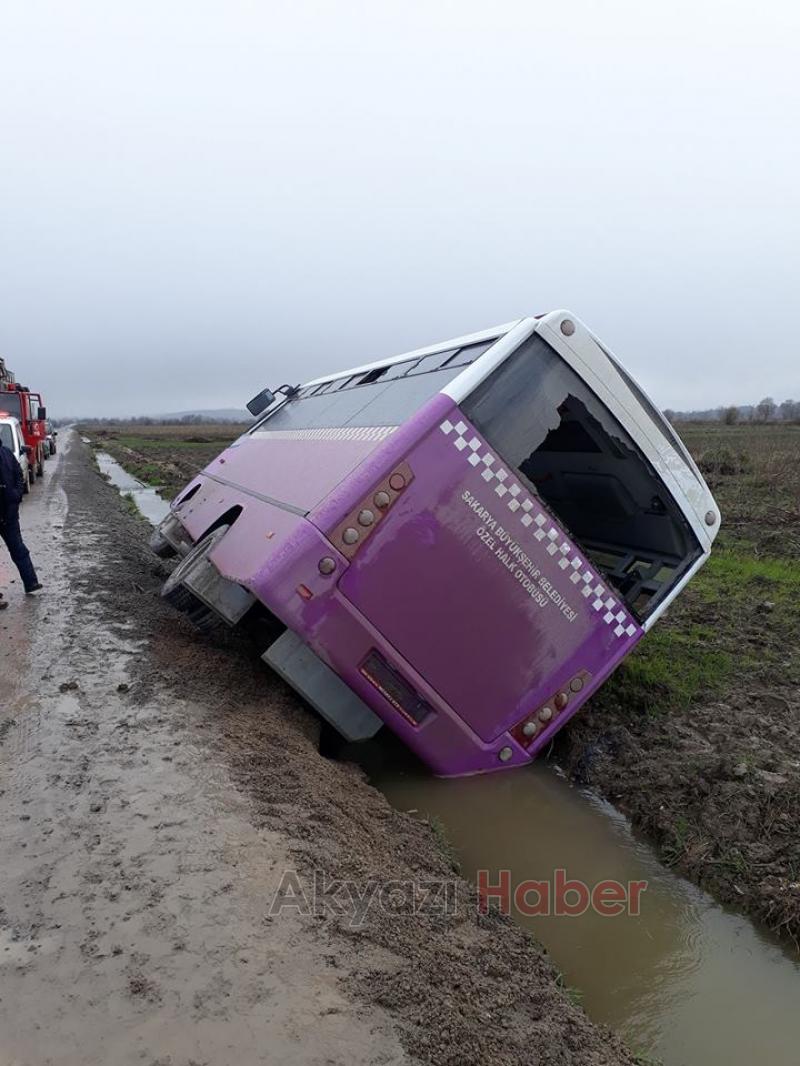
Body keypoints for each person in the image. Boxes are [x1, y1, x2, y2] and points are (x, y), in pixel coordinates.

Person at [0, 436, 42, 597]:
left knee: (19, 549)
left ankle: (31, 582)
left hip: (9, 514)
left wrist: (16, 495)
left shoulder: (6, 454)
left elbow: (18, 474)